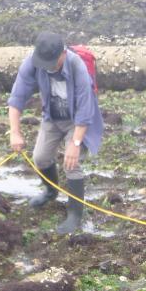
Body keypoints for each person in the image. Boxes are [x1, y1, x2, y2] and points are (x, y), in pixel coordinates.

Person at [6, 31, 105, 234]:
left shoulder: (77, 66)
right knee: (40, 158)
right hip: (52, 118)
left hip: (77, 121)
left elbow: (86, 109)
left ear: (62, 54)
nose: (48, 67)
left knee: (72, 164)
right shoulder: (32, 63)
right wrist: (14, 132)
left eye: (52, 62)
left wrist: (75, 143)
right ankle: (51, 191)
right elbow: (17, 98)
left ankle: (75, 213)